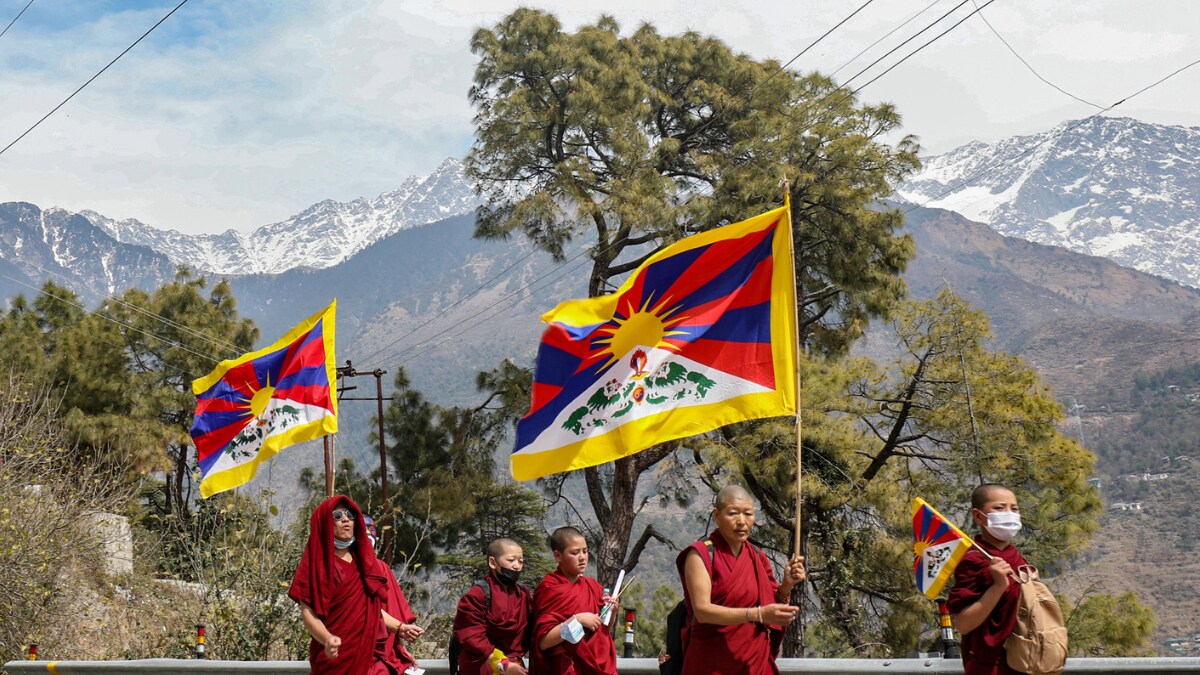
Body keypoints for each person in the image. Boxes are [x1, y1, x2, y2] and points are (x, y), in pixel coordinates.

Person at [676, 485, 805, 675]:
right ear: (717, 516)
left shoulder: (756, 556)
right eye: (733, 513)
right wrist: (757, 615)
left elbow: (771, 606)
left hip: (753, 664)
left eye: (748, 514)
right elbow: (702, 611)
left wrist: (787, 585)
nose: (742, 522)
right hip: (711, 664)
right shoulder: (701, 554)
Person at [288, 495, 409, 675]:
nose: (345, 519)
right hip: (335, 660)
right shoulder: (317, 564)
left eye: (350, 514)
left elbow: (372, 609)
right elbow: (309, 614)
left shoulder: (365, 563)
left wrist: (400, 627)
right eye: (337, 515)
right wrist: (327, 638)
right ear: (325, 523)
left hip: (370, 657)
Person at [947, 484, 1028, 675]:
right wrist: (998, 586)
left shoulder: (1018, 559)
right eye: (999, 508)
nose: (1009, 513)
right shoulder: (973, 560)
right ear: (978, 516)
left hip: (1025, 661)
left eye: (1014, 508)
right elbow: (963, 624)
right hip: (990, 665)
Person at [532, 526, 618, 675]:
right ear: (558, 556)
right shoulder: (549, 589)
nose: (582, 557)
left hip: (597, 664)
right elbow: (544, 642)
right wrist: (577, 619)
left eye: (585, 551)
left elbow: (602, 632)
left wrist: (612, 612)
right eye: (575, 552)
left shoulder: (593, 587)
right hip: (567, 666)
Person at [452, 537, 534, 674]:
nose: (516, 566)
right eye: (511, 560)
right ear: (492, 562)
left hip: (515, 666)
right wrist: (502, 663)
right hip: (484, 665)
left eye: (520, 561)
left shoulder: (523, 593)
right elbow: (471, 635)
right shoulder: (478, 594)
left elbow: (532, 629)